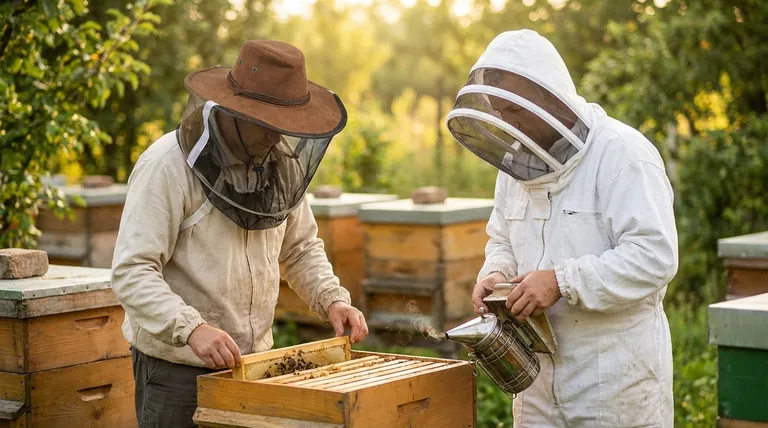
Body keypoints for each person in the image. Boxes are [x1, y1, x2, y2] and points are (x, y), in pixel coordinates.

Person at [111, 40, 369, 428]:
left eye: (286, 126)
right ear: (235, 112)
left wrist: (331, 299)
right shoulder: (166, 167)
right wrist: (192, 328)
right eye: (267, 123)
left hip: (253, 366)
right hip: (177, 371)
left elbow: (300, 249)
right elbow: (132, 271)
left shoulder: (279, 166)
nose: (277, 136)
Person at [447, 29, 677, 427]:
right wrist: (496, 273)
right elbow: (501, 237)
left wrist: (561, 281)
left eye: (513, 110)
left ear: (547, 96)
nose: (505, 122)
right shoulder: (517, 166)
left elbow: (654, 257)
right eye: (499, 110)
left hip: (615, 385)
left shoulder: (623, 155)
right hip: (537, 386)